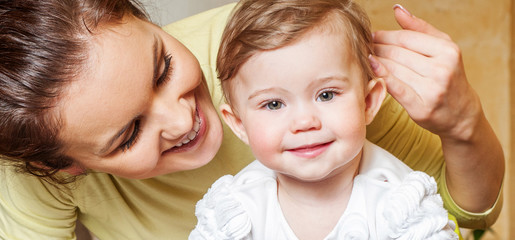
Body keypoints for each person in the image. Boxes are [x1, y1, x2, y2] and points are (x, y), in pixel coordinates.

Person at [0, 0, 503, 239]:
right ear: (69, 166)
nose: (181, 118)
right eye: (128, 135)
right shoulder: (33, 184)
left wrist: (463, 125)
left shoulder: (279, 60)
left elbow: (466, 220)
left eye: (161, 66)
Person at [190, 0, 458, 239]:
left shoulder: (400, 206)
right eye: (273, 104)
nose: (305, 122)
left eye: (326, 95)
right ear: (239, 124)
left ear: (368, 102)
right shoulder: (234, 211)